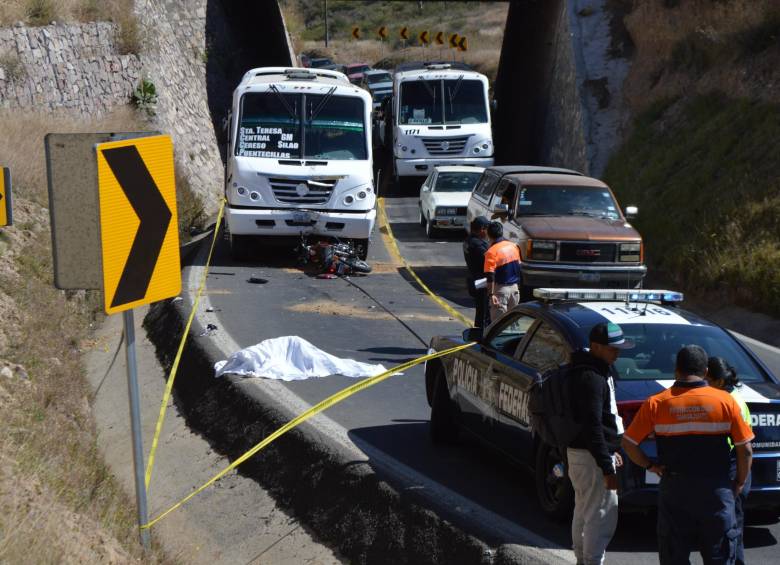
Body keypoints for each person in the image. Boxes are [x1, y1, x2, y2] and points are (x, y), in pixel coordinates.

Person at [621, 345, 754, 565]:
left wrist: (650, 466)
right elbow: (745, 450)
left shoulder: (657, 403)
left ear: (676, 370)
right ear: (705, 371)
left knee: (674, 554)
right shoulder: (725, 401)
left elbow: (629, 444)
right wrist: (739, 482)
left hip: (675, 490)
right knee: (720, 554)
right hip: (716, 491)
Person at [567, 322, 630, 565]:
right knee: (600, 515)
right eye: (612, 349)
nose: (618, 353)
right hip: (591, 458)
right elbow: (592, 425)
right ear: (595, 346)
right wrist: (606, 464)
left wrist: (610, 452)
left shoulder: (595, 370)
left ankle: (584, 560)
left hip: (587, 455)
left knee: (585, 509)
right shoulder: (591, 378)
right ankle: (591, 561)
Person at [707, 356, 752, 565]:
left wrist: (740, 482)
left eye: (707, 378)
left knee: (731, 528)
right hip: (736, 467)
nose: (703, 383)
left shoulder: (728, 402)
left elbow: (744, 449)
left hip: (733, 467)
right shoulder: (732, 397)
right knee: (732, 526)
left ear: (718, 381)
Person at [483, 221, 520, 323]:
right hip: (515, 289)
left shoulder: (491, 252)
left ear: (488, 234)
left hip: (501, 291)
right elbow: (518, 267)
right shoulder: (513, 246)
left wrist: (491, 294)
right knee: (512, 323)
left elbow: (490, 276)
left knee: (498, 324)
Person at [463, 216, 490, 327]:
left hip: (475, 279)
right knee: (484, 313)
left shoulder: (469, 240)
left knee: (480, 311)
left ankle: (478, 334)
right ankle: (480, 336)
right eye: (487, 228)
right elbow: (489, 260)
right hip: (481, 283)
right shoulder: (477, 245)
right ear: (482, 229)